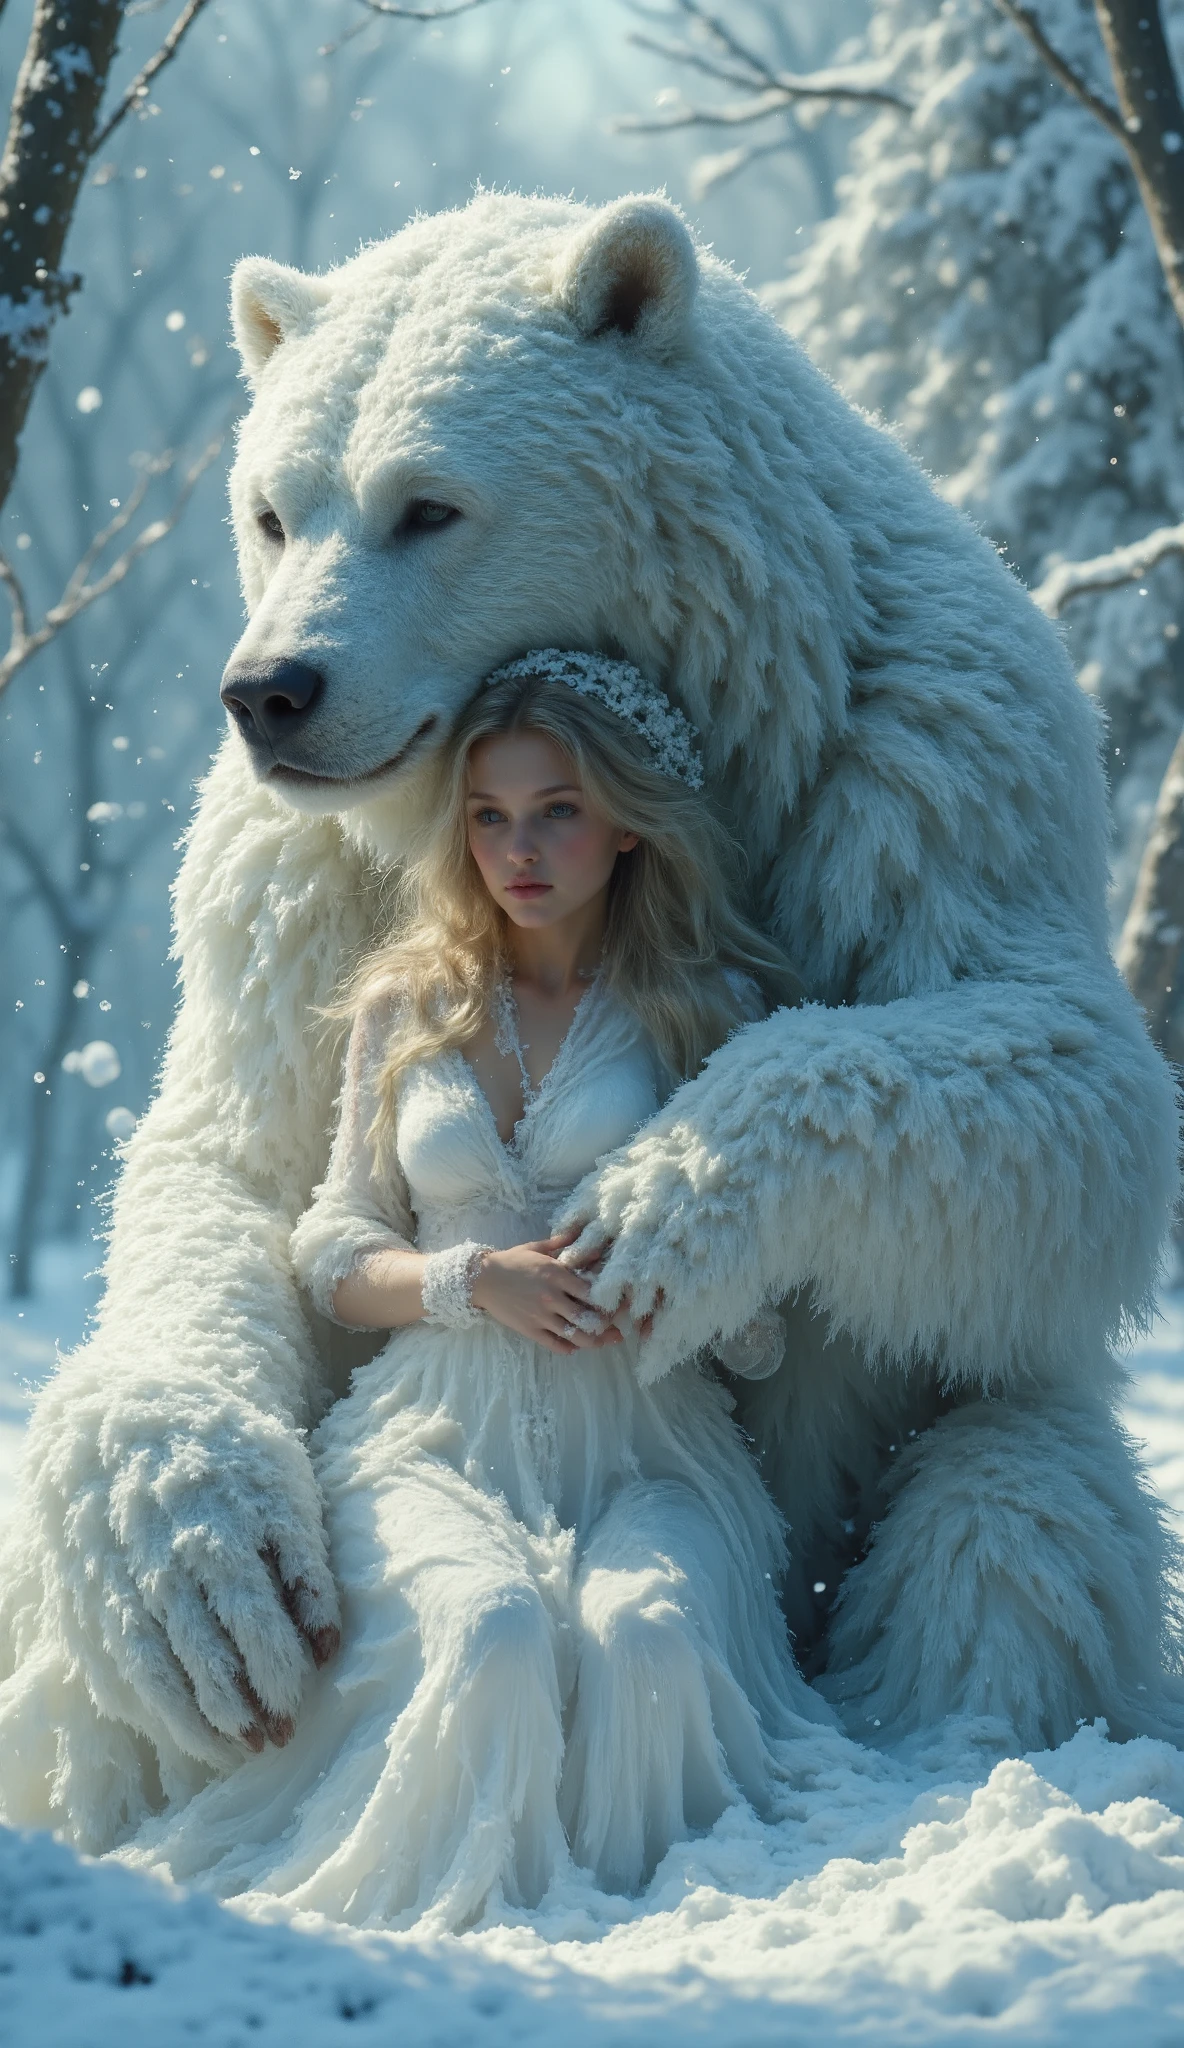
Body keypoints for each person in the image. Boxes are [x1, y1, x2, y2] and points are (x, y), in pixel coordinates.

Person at [119, 649, 837, 1932]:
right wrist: (468, 1278)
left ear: (622, 823)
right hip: (431, 1434)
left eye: (555, 808)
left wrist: (676, 1280)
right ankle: (446, 1944)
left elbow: (767, 1336)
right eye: (489, 814)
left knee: (646, 1643)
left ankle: (642, 1941)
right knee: (493, 1628)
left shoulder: (712, 1011)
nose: (519, 845)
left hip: (651, 1446)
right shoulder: (406, 1001)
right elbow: (334, 1247)